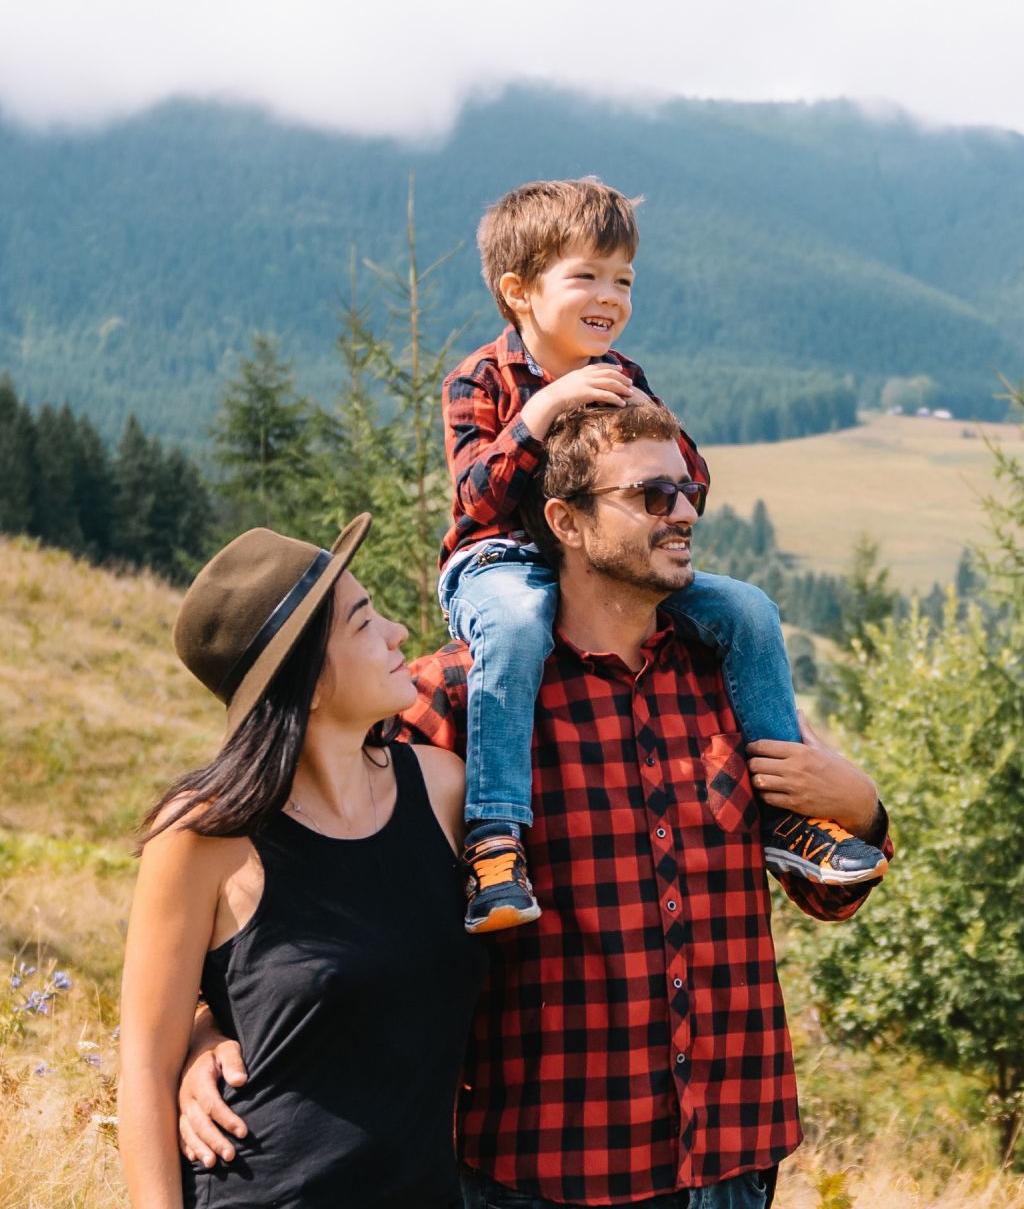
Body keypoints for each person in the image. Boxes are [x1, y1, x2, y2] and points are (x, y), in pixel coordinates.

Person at [177, 401, 893, 1208]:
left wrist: (865, 815)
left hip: (733, 1158)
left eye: (690, 489)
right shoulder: (460, 698)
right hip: (543, 1171)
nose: (684, 511)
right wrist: (209, 1026)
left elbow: (821, 893)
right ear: (568, 521)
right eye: (653, 495)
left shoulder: (731, 679)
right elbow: (315, 889)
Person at [438, 177, 886, 934]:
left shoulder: (628, 379)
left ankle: (788, 818)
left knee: (748, 608)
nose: (609, 294)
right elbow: (476, 501)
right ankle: (495, 838)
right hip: (500, 564)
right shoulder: (483, 379)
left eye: (624, 279)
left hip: (612, 573)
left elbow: (687, 477)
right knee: (516, 628)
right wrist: (542, 413)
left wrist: (653, 467)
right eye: (586, 275)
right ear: (517, 291)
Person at [117, 516, 487, 1209]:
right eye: (364, 622)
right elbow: (143, 1063)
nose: (396, 635)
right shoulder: (204, 836)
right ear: (308, 684)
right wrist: (202, 1034)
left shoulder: (441, 789)